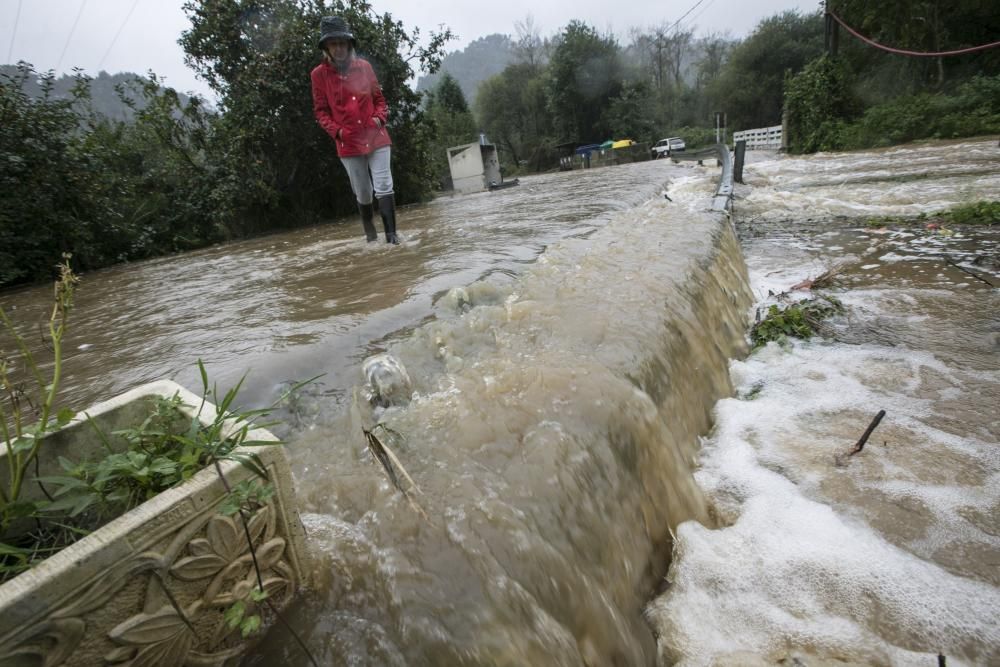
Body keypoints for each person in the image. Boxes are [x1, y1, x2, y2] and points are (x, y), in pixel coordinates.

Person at [311, 16, 399, 244]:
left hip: (376, 136)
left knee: (384, 185)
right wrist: (337, 132)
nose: (339, 48)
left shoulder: (365, 67)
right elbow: (321, 112)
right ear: (327, 48)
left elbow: (380, 100)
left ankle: (392, 239)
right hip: (348, 143)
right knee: (363, 193)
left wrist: (380, 117)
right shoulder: (318, 75)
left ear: (349, 44)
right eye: (333, 44)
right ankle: (371, 238)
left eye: (342, 43)